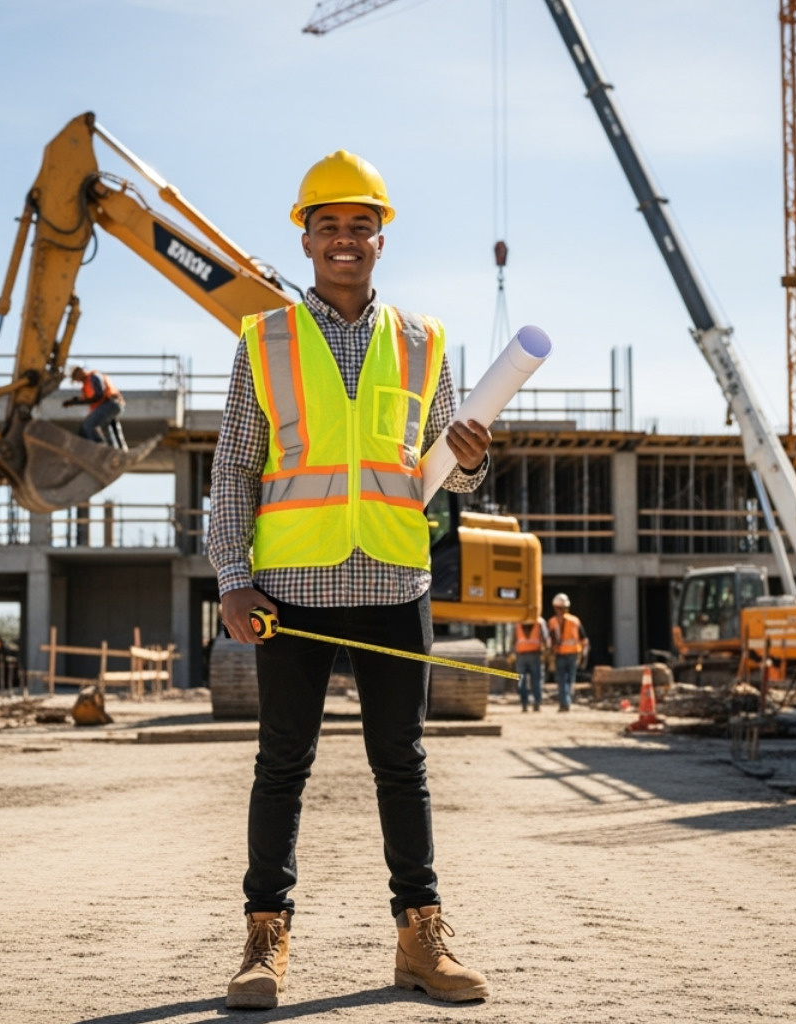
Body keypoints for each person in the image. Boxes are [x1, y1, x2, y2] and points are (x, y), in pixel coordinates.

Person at [210, 150, 493, 1009]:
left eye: (359, 226)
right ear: (305, 240)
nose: (345, 239)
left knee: (401, 763)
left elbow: (443, 466)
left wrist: (474, 465)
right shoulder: (263, 339)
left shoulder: (425, 340)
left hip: (395, 577)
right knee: (281, 765)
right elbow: (234, 471)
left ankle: (421, 937)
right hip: (291, 587)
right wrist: (232, 576)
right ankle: (266, 937)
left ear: (381, 239)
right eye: (328, 226)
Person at [65, 366, 127, 449]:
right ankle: (118, 451)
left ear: (79, 372)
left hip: (110, 404)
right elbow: (89, 397)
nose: (77, 381)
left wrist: (77, 402)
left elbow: (98, 395)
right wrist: (75, 400)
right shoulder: (87, 383)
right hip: (113, 404)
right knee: (107, 426)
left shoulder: (93, 377)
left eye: (75, 378)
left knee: (87, 425)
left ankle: (99, 447)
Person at [547, 593, 589, 712]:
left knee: (562, 680)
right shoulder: (575, 620)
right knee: (569, 680)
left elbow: (550, 640)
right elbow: (584, 639)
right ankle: (566, 702)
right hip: (572, 653)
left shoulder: (552, 621)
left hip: (561, 654)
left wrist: (549, 653)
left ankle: (564, 703)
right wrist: (584, 655)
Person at [513, 618, 549, 712]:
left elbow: (513, 639)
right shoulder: (540, 622)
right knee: (536, 681)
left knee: (522, 681)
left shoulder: (518, 621)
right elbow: (546, 638)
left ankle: (524, 704)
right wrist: (546, 652)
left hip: (521, 655)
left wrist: (512, 652)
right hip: (534, 655)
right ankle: (537, 703)